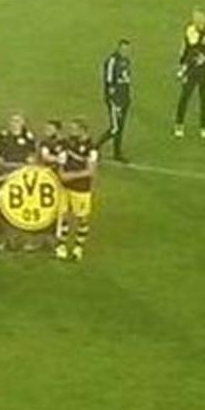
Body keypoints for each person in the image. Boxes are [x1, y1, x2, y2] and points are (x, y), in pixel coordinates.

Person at [174, 9, 205, 139]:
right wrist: (182, 67)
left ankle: (204, 127)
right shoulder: (189, 31)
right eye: (196, 20)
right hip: (191, 71)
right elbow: (185, 50)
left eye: (200, 20)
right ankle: (179, 125)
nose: (198, 23)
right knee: (184, 97)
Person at [55, 119, 98, 262]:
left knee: (82, 218)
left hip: (81, 189)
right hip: (65, 187)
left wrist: (69, 176)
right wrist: (61, 173)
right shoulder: (68, 143)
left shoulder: (91, 148)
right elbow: (62, 161)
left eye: (74, 129)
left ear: (82, 130)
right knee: (63, 215)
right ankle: (61, 246)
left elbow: (90, 171)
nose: (71, 131)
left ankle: (78, 248)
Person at [97, 39, 133, 161]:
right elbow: (108, 81)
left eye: (127, 49)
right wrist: (113, 99)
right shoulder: (112, 61)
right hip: (115, 100)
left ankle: (117, 153)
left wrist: (127, 97)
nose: (125, 51)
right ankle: (95, 147)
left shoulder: (126, 61)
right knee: (115, 128)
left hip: (125, 98)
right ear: (118, 48)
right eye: (123, 48)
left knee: (120, 127)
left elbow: (126, 80)